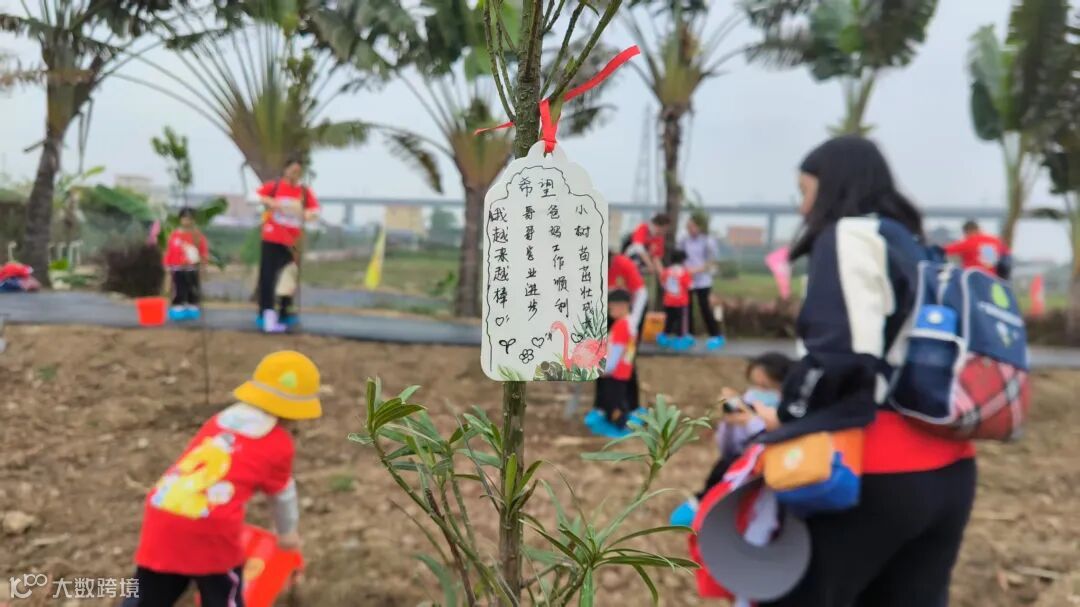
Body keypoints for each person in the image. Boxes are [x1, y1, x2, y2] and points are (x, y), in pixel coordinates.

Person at [758, 136, 976, 607]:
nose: (802, 208)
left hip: (871, 469)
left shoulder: (848, 236)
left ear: (833, 187)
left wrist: (787, 417)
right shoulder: (912, 245)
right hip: (949, 467)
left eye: (805, 191)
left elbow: (844, 357)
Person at [124, 350, 322, 607]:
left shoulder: (219, 421)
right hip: (211, 526)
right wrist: (287, 534)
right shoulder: (279, 443)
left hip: (163, 509)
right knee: (222, 594)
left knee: (151, 592)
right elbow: (283, 494)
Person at [669, 352, 792, 526]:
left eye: (765, 387)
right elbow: (729, 450)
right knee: (728, 462)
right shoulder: (749, 403)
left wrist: (752, 423)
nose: (758, 393)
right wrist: (729, 424)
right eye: (754, 385)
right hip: (736, 466)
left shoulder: (790, 412)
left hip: (771, 470)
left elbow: (771, 440)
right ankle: (703, 501)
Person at [256, 157, 320, 333]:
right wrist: (270, 202)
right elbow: (255, 196)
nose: (295, 174)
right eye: (292, 170)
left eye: (298, 172)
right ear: (285, 170)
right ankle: (266, 314)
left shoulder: (304, 192)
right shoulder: (274, 187)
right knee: (268, 276)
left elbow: (314, 211)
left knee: (288, 276)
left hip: (292, 242)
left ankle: (285, 311)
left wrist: (307, 214)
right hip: (272, 238)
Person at [585, 289, 637, 438]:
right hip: (623, 371)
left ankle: (622, 426)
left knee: (612, 404)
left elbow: (616, 353)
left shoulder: (621, 325)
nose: (610, 311)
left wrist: (604, 369)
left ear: (623, 306)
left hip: (615, 372)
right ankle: (620, 423)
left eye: (611, 307)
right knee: (618, 400)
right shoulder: (630, 323)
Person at [607, 251, 648, 411]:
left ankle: (632, 406)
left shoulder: (624, 264)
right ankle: (603, 406)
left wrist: (633, 322)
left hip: (630, 314)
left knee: (626, 362)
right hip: (611, 312)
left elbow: (641, 293)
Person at [679, 213, 726, 350]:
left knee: (704, 307)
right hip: (687, 279)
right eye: (688, 226)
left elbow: (712, 261)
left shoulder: (708, 241)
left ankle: (715, 335)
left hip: (703, 280)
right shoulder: (684, 241)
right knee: (687, 308)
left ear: (699, 227)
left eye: (692, 226)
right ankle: (688, 335)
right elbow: (681, 257)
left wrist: (697, 270)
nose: (690, 229)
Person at [162, 207, 209, 322]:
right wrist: (167, 265)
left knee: (192, 289)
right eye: (185, 218)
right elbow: (169, 251)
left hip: (192, 269)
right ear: (180, 219)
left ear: (194, 220)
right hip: (178, 269)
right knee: (179, 288)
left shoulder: (198, 236)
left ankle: (192, 307)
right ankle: (178, 308)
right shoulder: (175, 235)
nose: (187, 221)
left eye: (190, 219)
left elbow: (203, 252)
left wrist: (203, 265)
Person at [944, 219, 1012, 279]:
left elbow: (945, 251)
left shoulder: (967, 242)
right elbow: (1007, 255)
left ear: (968, 231)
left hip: (974, 280)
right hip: (993, 280)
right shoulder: (995, 240)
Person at [659, 250, 693, 350]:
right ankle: (680, 340)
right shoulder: (684, 272)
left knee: (669, 320)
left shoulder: (666, 271)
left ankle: (664, 337)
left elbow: (663, 285)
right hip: (681, 302)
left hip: (668, 301)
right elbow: (690, 286)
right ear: (683, 260)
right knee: (681, 322)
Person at [624, 213, 670, 279]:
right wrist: (650, 265)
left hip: (645, 263)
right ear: (656, 226)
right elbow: (639, 248)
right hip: (632, 257)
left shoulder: (660, 238)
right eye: (663, 230)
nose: (664, 233)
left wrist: (663, 275)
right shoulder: (643, 228)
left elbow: (656, 258)